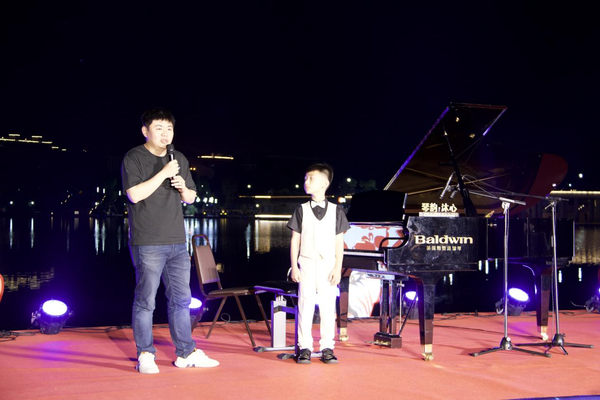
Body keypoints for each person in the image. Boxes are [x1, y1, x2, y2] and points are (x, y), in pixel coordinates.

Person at [121, 108, 219, 374]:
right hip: (147, 241)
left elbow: (190, 198)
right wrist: (163, 173)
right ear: (146, 131)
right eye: (159, 128)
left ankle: (185, 352)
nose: (165, 134)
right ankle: (145, 354)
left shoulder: (179, 158)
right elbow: (134, 195)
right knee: (146, 301)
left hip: (177, 240)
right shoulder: (134, 157)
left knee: (181, 300)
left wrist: (182, 186)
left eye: (169, 129)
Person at [287, 163, 350, 364]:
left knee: (327, 305)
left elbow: (339, 242)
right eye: (306, 178)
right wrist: (294, 266)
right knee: (305, 304)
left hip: (327, 264)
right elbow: (295, 240)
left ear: (324, 183)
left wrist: (338, 268)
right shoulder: (301, 209)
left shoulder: (336, 210)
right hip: (306, 262)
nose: (306, 182)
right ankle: (304, 346)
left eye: (311, 178)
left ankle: (327, 347)